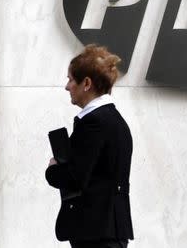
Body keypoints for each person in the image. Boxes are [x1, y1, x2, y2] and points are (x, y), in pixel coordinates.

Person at [45, 44, 134, 248]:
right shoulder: (116, 121)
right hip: (108, 231)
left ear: (86, 83)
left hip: (96, 234)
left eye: (70, 79)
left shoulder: (94, 123)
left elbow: (76, 178)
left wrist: (53, 169)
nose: (67, 86)